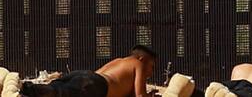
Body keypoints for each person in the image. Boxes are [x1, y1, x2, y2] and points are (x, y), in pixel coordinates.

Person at [20, 45, 157, 97]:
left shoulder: (119, 61)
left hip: (86, 76)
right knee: (60, 93)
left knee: (57, 87)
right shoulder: (138, 63)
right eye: (151, 66)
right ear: (142, 58)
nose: (150, 72)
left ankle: (28, 89)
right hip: (98, 84)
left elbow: (95, 75)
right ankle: (30, 91)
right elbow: (140, 96)